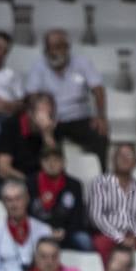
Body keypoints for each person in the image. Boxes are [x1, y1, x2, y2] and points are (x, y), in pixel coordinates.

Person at [26, 29, 109, 170]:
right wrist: (39, 117)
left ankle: (103, 177)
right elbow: (31, 96)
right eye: (49, 48)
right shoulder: (38, 66)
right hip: (52, 119)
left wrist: (101, 116)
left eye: (58, 47)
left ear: (67, 47)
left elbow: (98, 89)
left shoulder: (82, 63)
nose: (53, 52)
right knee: (34, 138)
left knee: (100, 134)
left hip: (79, 117)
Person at [26, 143, 91, 252]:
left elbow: (77, 216)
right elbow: (28, 213)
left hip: (67, 232)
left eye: (56, 160)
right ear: (41, 163)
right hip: (38, 231)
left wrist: (65, 231)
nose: (52, 164)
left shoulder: (74, 185)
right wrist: (46, 231)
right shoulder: (31, 183)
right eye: (47, 160)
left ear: (63, 163)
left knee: (84, 240)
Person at [0, 92, 61, 183]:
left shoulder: (52, 128)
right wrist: (30, 183)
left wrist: (47, 135)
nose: (45, 118)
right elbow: (3, 170)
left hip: (41, 183)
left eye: (49, 113)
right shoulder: (11, 125)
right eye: (41, 112)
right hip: (14, 181)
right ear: (30, 113)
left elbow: (55, 168)